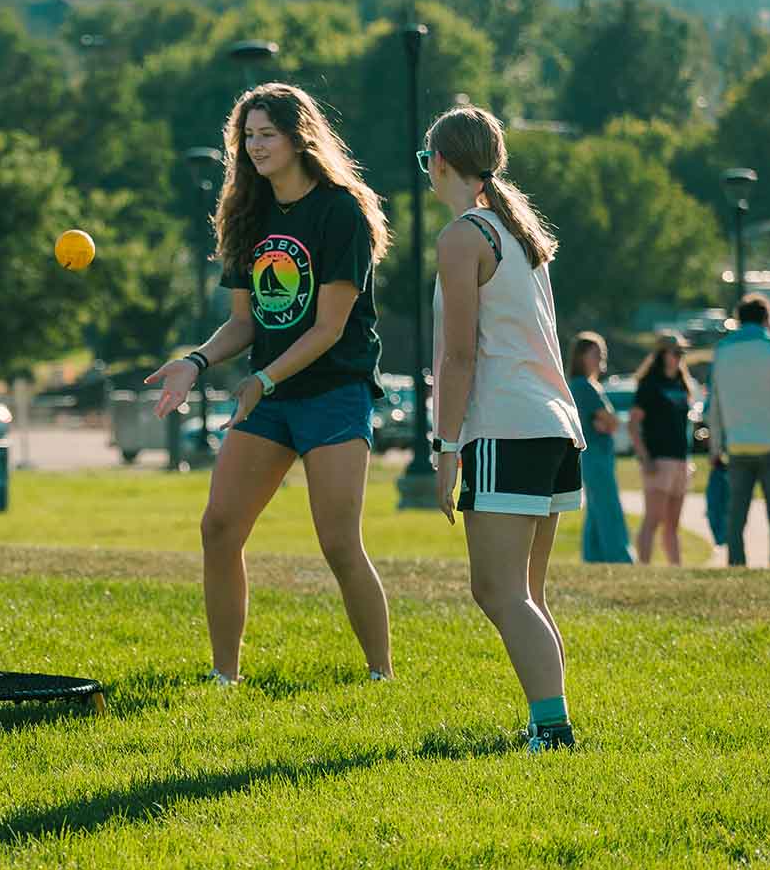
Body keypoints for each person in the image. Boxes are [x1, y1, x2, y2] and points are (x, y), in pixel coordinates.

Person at [145, 82, 395, 686]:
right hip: (271, 395)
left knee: (338, 542)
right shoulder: (247, 213)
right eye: (247, 136)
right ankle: (224, 674)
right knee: (219, 527)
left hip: (334, 391)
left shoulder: (341, 211)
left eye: (266, 134)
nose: (254, 147)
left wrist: (262, 377)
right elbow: (243, 321)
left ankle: (381, 675)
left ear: (299, 137)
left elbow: (332, 327)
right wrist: (196, 362)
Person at [423, 106, 585, 751]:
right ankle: (546, 721)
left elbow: (458, 357)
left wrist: (445, 449)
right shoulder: (518, 233)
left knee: (496, 590)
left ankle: (553, 728)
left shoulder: (462, 236)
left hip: (506, 428)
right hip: (552, 425)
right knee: (528, 594)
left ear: (439, 163)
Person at [705, 295, 770, 568]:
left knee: (736, 515)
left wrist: (715, 447)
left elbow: (714, 406)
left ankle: (736, 566)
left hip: (737, 446)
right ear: (767, 319)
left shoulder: (722, 352)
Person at [627, 334, 696, 566]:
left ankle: (675, 570)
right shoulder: (649, 385)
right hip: (658, 459)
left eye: (681, 353)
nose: (678, 358)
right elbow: (633, 424)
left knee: (673, 524)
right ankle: (644, 568)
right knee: (653, 519)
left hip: (680, 459)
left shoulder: (680, 383)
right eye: (675, 352)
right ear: (662, 354)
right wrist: (644, 457)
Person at [567, 332, 632, 564]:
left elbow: (606, 422)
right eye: (595, 353)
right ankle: (619, 558)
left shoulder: (585, 385)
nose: (600, 358)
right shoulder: (584, 386)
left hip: (593, 457)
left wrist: (605, 422)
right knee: (608, 509)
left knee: (596, 511)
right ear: (581, 356)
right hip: (596, 456)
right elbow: (611, 421)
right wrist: (606, 422)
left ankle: (593, 558)